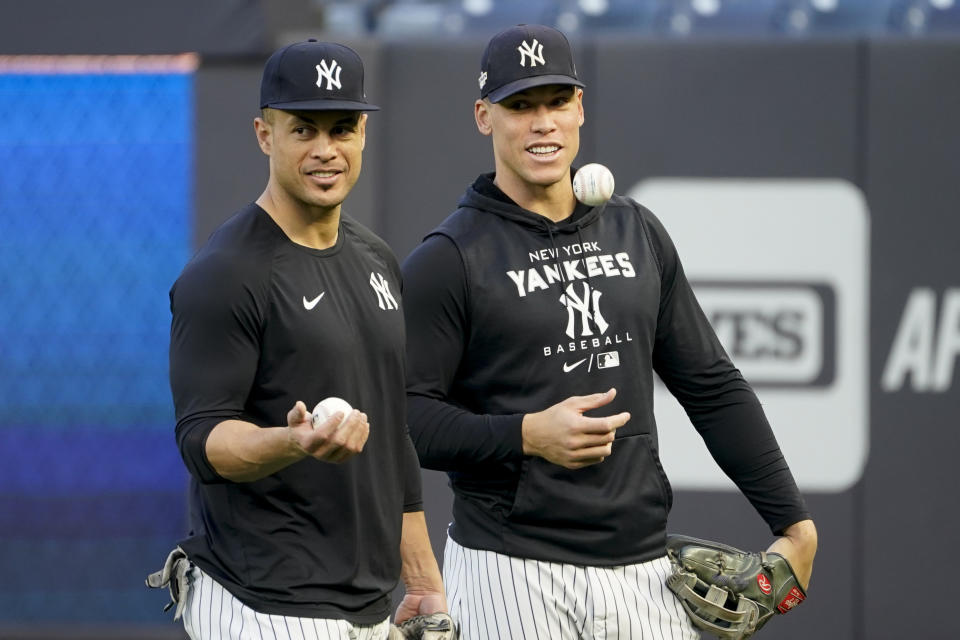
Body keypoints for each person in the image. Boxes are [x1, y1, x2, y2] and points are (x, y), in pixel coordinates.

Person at [401, 24, 817, 639]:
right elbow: (406, 422)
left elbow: (709, 383)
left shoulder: (636, 231)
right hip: (508, 569)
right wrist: (526, 435)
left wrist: (794, 523)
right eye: (520, 106)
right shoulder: (450, 257)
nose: (542, 122)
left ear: (579, 109)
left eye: (556, 101)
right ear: (484, 116)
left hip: (644, 571)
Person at [158, 39, 446, 640]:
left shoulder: (376, 259)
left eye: (342, 128)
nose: (325, 150)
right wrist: (291, 441)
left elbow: (392, 432)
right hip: (260, 604)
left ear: (363, 133)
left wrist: (420, 579)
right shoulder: (226, 272)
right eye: (303, 129)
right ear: (265, 134)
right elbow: (202, 439)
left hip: (365, 606)